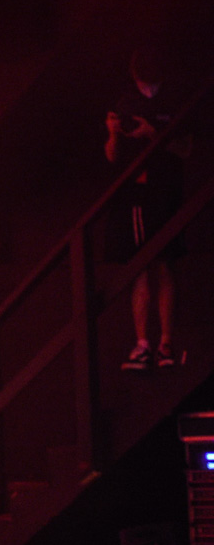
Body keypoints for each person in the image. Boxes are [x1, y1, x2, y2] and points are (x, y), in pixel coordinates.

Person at [104, 45, 192, 371]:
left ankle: (166, 342)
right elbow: (113, 155)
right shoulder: (125, 102)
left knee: (166, 264)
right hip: (137, 194)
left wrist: (153, 132)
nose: (148, 88)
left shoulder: (175, 100)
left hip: (167, 191)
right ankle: (142, 343)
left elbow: (184, 149)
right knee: (140, 266)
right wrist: (114, 133)